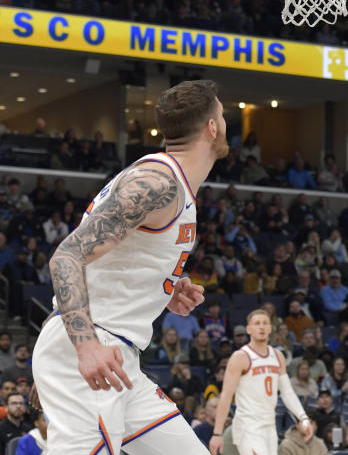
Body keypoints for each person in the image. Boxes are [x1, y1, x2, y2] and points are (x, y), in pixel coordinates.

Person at [33, 80, 226, 454]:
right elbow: (66, 256)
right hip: (96, 346)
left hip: (119, 359)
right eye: (222, 114)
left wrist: (162, 287)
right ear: (212, 127)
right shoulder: (156, 183)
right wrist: (83, 347)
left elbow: (115, 263)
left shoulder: (173, 185)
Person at [209, 310, 313, 455]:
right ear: (248, 329)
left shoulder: (278, 356)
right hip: (247, 426)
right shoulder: (240, 357)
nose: (261, 327)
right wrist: (217, 433)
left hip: (270, 426)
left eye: (265, 323)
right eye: (257, 324)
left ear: (271, 328)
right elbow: (226, 396)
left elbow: (287, 392)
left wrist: (303, 417)